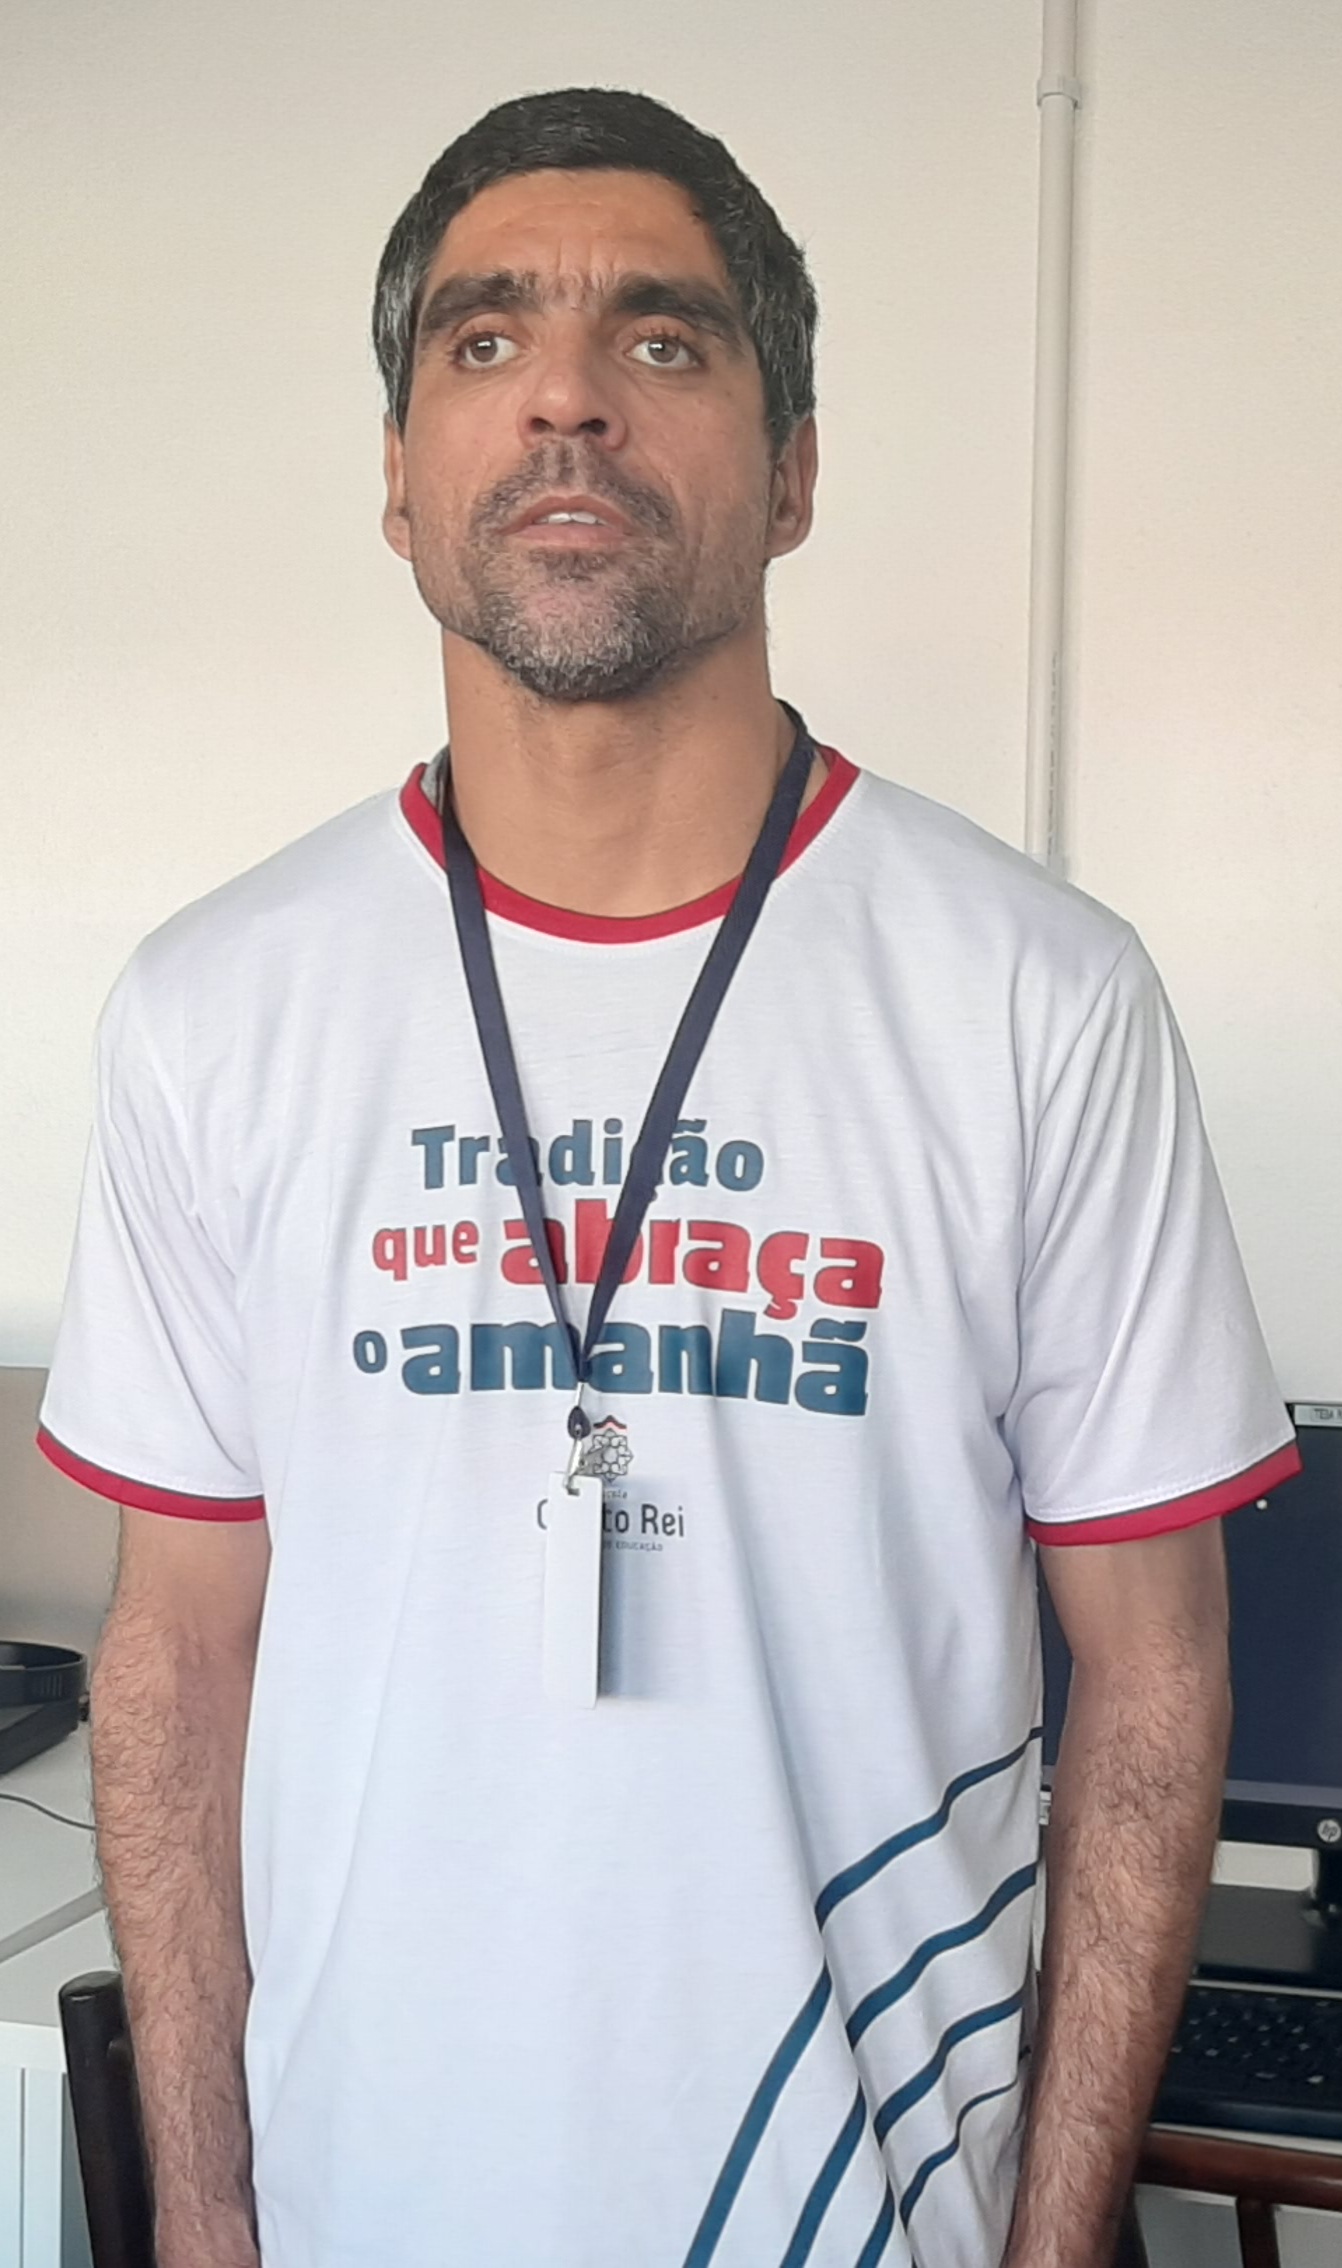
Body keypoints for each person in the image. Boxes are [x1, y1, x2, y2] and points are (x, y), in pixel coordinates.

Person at [38, 86, 1299, 2268]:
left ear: (791, 471)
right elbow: (173, 1663)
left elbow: (1154, 1669)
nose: (563, 397)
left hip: (867, 2218)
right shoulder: (214, 1006)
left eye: (659, 337)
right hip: (364, 2211)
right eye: (483, 339)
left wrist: (1049, 2243)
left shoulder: (1035, 993)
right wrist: (211, 2224)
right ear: (400, 476)